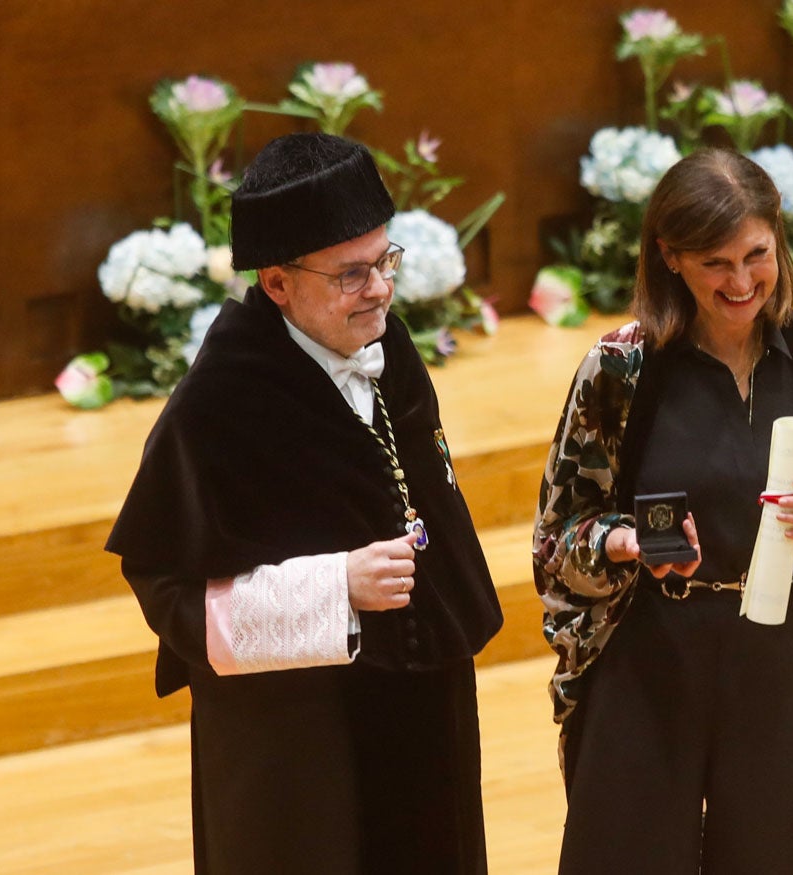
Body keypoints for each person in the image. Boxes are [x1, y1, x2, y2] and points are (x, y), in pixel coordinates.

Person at [108, 132, 502, 874]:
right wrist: (335, 588)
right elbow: (168, 589)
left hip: (418, 707)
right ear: (278, 284)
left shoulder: (391, 350)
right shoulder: (218, 405)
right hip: (301, 747)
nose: (380, 289)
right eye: (351, 274)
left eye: (385, 261)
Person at [533, 147, 793, 873]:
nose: (741, 282)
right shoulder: (618, 369)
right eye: (713, 264)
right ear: (668, 257)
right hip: (648, 658)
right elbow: (556, 535)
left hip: (779, 656)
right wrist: (621, 543)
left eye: (755, 255)